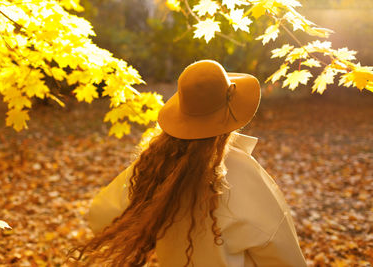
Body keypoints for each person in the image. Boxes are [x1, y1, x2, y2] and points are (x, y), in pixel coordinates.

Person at [76, 60, 307, 266]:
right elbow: (283, 255)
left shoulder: (155, 167)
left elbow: (99, 215)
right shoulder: (244, 175)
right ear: (231, 112)